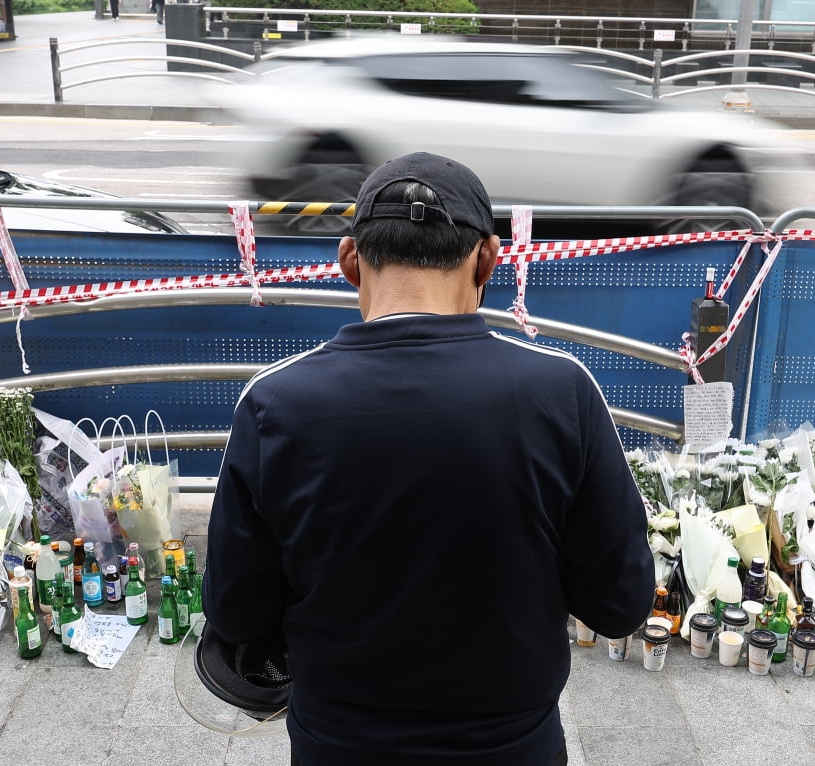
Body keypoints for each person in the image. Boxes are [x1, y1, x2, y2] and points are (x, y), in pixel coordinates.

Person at [202, 152, 654, 765]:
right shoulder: (562, 392)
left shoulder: (274, 404)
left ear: (349, 262)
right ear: (488, 258)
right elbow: (619, 604)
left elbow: (236, 611)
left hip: (337, 747)